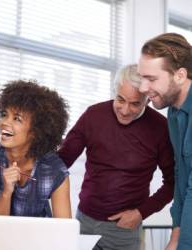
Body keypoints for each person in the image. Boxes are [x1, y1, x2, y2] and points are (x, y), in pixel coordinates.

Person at [58, 64, 174, 250]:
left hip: (124, 230)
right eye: (120, 99)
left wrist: (141, 213)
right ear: (114, 91)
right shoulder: (93, 115)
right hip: (84, 222)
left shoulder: (160, 128)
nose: (125, 110)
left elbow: (173, 182)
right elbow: (61, 161)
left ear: (148, 100)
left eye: (135, 103)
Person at [0, 80, 71, 218]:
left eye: (17, 118)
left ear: (37, 130)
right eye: (4, 114)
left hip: (40, 238)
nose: (4, 122)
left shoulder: (55, 170)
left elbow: (64, 230)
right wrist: (6, 192)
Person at [138, 33, 192, 250]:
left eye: (151, 79)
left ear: (179, 75)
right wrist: (176, 235)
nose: (142, 88)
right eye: (142, 77)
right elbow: (182, 175)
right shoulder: (173, 112)